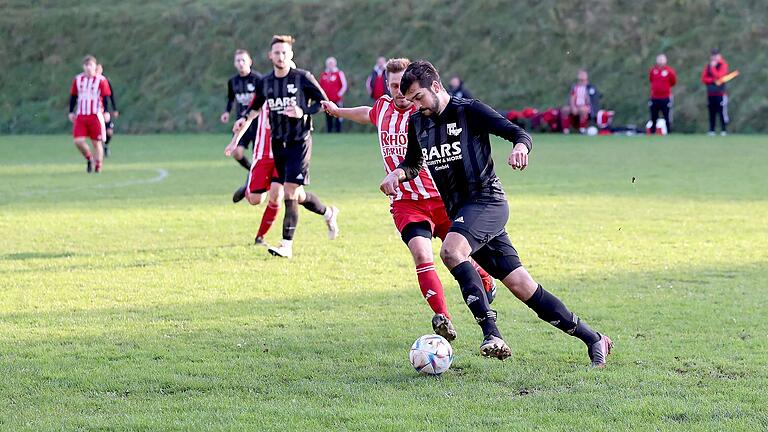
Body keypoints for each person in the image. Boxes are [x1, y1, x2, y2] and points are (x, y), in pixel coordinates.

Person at [381, 60, 612, 367]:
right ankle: (594, 338)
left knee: (451, 251)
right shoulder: (418, 123)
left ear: (435, 87)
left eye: (419, 98)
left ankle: (492, 334)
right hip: (463, 213)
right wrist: (398, 173)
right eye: (410, 101)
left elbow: (518, 132)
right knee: (523, 287)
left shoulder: (469, 111)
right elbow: (413, 163)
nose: (415, 106)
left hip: (487, 202)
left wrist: (520, 149)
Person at [321, 58, 497, 341]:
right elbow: (366, 113)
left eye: (404, 86)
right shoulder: (382, 108)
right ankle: (443, 318)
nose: (400, 92)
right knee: (422, 254)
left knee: (458, 254)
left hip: (441, 198)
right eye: (393, 86)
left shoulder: (425, 112)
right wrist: (337, 110)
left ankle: (484, 277)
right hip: (407, 203)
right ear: (387, 86)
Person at [234, 35, 339, 258]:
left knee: (289, 191)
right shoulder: (266, 82)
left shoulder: (303, 78)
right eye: (277, 53)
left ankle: (286, 245)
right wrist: (243, 119)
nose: (280, 56)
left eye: (284, 52)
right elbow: (254, 109)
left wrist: (304, 111)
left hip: (299, 142)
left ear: (291, 54)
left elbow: (324, 104)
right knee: (298, 195)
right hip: (278, 144)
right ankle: (328, 212)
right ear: (270, 56)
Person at [226, 102, 283, 245]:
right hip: (262, 154)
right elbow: (248, 117)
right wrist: (235, 141)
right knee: (256, 199)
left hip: (284, 154)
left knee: (277, 195)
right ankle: (248, 190)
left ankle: (260, 237)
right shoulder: (264, 88)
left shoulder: (295, 89)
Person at [221, 49, 263, 172]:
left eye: (243, 60)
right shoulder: (233, 81)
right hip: (241, 123)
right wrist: (227, 112)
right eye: (238, 60)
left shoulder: (258, 79)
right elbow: (231, 98)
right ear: (234, 63)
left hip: (256, 122)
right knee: (236, 153)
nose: (240, 63)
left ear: (250, 61)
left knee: (258, 155)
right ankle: (252, 171)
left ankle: (257, 176)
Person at [69, 55, 112, 173]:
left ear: (95, 66)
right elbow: (73, 96)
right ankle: (89, 158)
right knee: (78, 141)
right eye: (86, 65)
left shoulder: (101, 80)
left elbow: (105, 97)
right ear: (83, 67)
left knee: (96, 142)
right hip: (81, 115)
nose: (88, 68)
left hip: (95, 115)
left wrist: (106, 112)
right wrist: (71, 111)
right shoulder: (78, 79)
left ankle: (98, 165)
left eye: (91, 65)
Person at [701, 49, 730, 136]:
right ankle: (711, 130)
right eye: (713, 55)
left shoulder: (723, 64)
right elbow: (704, 78)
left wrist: (713, 68)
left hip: (720, 94)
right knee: (711, 112)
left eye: (716, 55)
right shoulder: (708, 66)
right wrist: (713, 80)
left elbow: (720, 76)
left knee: (722, 113)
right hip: (710, 93)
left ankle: (723, 130)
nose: (714, 57)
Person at [561, 69, 599, 134]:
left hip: (585, 107)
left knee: (582, 110)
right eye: (580, 79)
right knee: (565, 109)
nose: (581, 81)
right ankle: (565, 130)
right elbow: (572, 98)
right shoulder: (575, 87)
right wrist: (573, 107)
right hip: (576, 106)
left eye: (583, 79)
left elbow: (591, 100)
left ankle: (582, 129)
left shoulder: (589, 88)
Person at [647, 54, 677, 134]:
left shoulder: (669, 71)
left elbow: (673, 82)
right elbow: (651, 80)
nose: (660, 61)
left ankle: (669, 132)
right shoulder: (653, 71)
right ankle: (652, 133)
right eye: (659, 59)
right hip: (655, 97)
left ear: (665, 60)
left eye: (662, 59)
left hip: (665, 98)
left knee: (667, 116)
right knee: (653, 117)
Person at [319, 57, 347, 133]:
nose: (330, 65)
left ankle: (338, 131)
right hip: (327, 100)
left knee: (338, 114)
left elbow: (344, 85)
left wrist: (338, 95)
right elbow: (320, 86)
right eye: (329, 63)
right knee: (328, 116)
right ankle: (329, 132)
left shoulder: (339, 73)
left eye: (332, 63)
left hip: (337, 99)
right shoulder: (324, 74)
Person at [95, 64, 119, 157]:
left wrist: (114, 109)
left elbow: (111, 96)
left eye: (100, 69)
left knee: (109, 132)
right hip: (95, 112)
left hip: (105, 112)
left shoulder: (105, 81)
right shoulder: (90, 83)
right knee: (98, 133)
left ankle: (105, 146)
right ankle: (99, 152)